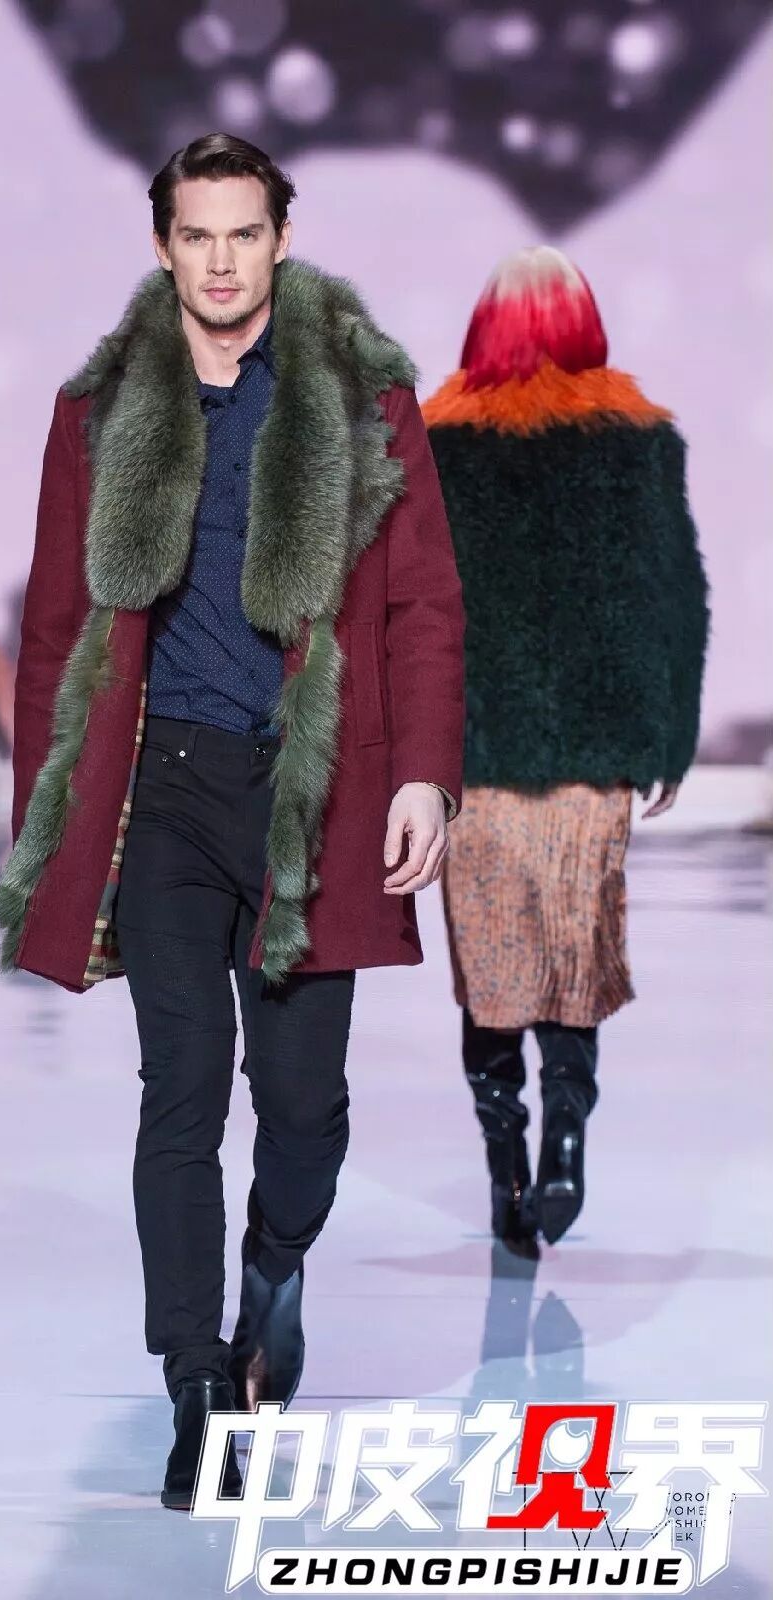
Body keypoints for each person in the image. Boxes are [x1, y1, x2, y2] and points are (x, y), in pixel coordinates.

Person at [0, 133, 466, 1509]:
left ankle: (273, 1263)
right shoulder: (100, 411)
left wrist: (425, 773)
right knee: (181, 1090)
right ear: (163, 245)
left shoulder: (362, 397)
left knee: (305, 1107)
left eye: (242, 233)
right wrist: (47, 815)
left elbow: (426, 602)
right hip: (163, 790)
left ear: (279, 238)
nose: (219, 260)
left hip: (313, 793)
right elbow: (54, 626)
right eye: (195, 235)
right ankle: (195, 1384)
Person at [423, 246, 709, 1255]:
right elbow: (675, 598)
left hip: (477, 750)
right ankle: (568, 1138)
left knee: (493, 963)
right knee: (572, 954)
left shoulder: (436, 444)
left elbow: (413, 611)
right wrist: (668, 736)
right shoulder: (637, 441)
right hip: (593, 748)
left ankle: (506, 1164)